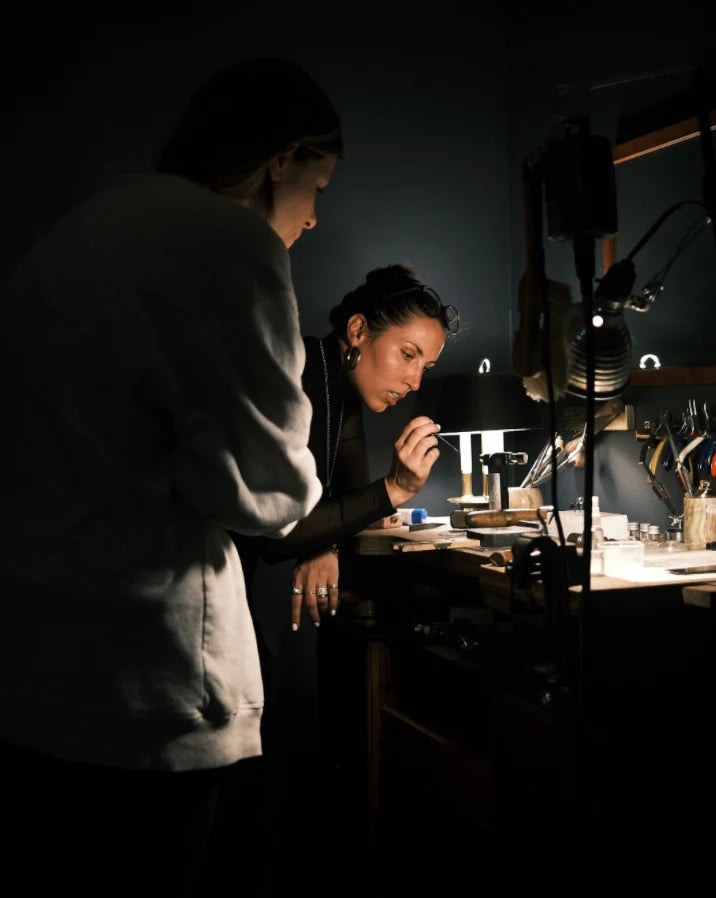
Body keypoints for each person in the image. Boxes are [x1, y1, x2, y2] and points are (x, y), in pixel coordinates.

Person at [0, 57, 342, 897]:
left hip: (36, 669)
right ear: (282, 158)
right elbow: (269, 495)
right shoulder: (229, 243)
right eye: (319, 186)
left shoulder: (82, 231)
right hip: (151, 685)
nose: (313, 217)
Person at [231, 262, 460, 897]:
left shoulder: (336, 377)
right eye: (407, 355)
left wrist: (328, 537)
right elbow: (276, 528)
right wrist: (394, 489)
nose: (414, 381)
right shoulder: (298, 375)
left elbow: (338, 470)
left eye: (426, 367)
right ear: (358, 329)